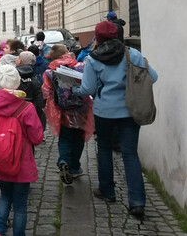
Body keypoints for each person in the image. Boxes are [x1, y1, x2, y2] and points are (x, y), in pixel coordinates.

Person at [72, 21, 158, 219]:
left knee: (103, 150)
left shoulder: (93, 59)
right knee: (130, 154)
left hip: (104, 112)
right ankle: (137, 203)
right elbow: (152, 77)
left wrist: (73, 90)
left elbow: (87, 90)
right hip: (130, 111)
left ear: (98, 37)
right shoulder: (132, 54)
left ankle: (107, 191)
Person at [0, 65, 44, 236]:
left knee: (5, 197)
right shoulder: (26, 108)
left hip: (0, 160)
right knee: (20, 204)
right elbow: (37, 138)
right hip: (22, 163)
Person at [41, 44, 94, 185]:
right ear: (66, 53)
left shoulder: (49, 72)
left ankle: (63, 160)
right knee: (78, 138)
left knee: (65, 138)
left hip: (63, 110)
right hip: (82, 108)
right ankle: (75, 167)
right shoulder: (81, 66)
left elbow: (46, 92)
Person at [16, 51, 46, 131]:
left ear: (20, 61)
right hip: (32, 110)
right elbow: (39, 98)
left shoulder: (14, 76)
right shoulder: (34, 79)